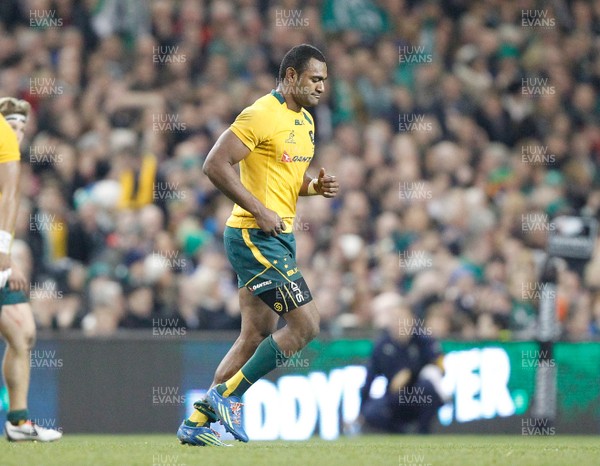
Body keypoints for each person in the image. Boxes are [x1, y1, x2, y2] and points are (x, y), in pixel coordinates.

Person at [177, 44, 339, 446]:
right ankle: (227, 395)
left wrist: (313, 188)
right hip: (253, 235)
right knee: (306, 325)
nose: (322, 86)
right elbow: (214, 163)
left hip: (278, 237)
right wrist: (258, 209)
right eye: (314, 78)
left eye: (324, 79)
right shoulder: (260, 113)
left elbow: (286, 178)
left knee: (254, 336)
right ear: (290, 77)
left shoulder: (305, 121)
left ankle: (196, 422)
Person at [0, 97, 62, 441]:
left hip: (3, 259)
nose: (16, 132)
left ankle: (18, 421)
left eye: (22, 127)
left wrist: (8, 257)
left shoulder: (13, 160)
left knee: (24, 333)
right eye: (11, 125)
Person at [360, 292, 446, 434]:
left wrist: (410, 374)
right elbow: (369, 378)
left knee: (429, 389)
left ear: (412, 321)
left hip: (419, 393)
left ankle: (423, 433)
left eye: (403, 319)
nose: (400, 324)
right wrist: (361, 410)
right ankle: (398, 433)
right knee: (371, 412)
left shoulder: (424, 340)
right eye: (395, 319)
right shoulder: (382, 345)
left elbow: (440, 366)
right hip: (394, 398)